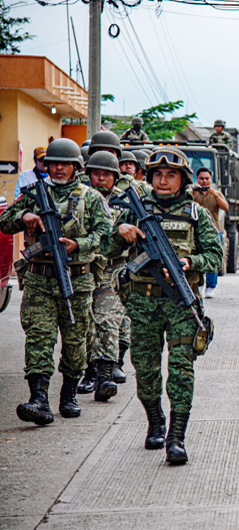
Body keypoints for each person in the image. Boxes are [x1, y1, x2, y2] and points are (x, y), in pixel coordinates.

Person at [102, 147, 223, 464]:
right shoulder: (134, 210)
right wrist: (120, 231)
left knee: (181, 371)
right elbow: (104, 246)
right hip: (143, 303)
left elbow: (215, 257)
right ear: (151, 177)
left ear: (182, 180)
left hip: (182, 303)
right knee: (146, 369)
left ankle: (177, 438)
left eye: (171, 175)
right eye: (158, 175)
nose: (164, 181)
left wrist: (188, 262)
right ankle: (155, 422)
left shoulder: (197, 214)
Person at [0, 139, 111, 425]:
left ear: (76, 167)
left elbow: (106, 236)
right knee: (39, 338)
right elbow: (6, 220)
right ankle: (39, 399)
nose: (59, 168)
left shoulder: (91, 198)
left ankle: (69, 395)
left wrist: (79, 244)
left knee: (75, 341)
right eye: (53, 163)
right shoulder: (33, 193)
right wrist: (25, 215)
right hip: (39, 279)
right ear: (46, 165)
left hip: (77, 280)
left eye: (65, 164)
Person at [84, 151, 130, 400]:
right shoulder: (78, 198)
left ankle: (104, 377)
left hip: (111, 270)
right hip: (81, 269)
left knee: (108, 321)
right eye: (96, 173)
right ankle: (87, 372)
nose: (101, 178)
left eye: (106, 174)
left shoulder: (125, 202)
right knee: (83, 324)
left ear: (115, 177)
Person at [192, 167, 229, 298]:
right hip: (194, 231)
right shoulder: (192, 192)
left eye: (207, 179)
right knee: (196, 257)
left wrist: (214, 194)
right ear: (197, 179)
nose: (204, 181)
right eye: (201, 179)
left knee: (213, 258)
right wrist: (194, 194)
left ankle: (210, 287)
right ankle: (199, 284)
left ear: (211, 180)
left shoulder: (217, 193)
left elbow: (225, 207)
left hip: (213, 231)